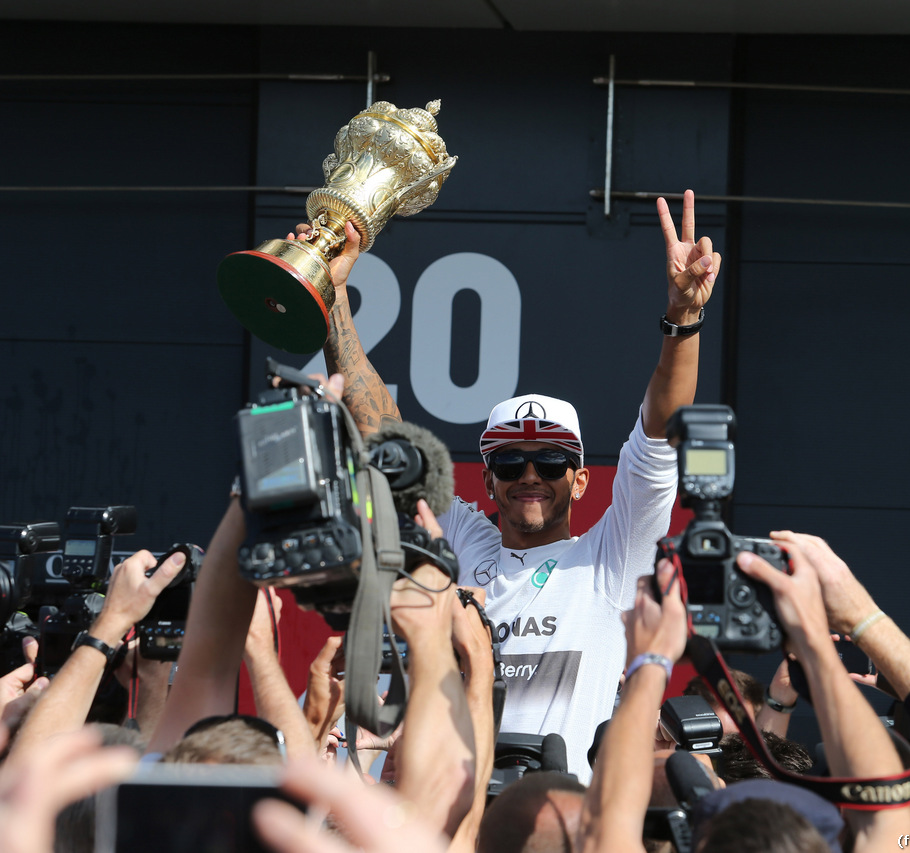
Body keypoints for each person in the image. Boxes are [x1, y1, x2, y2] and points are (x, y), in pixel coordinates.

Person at [307, 190, 719, 777]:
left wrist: (683, 319)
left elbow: (658, 433)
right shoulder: (463, 542)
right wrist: (334, 295)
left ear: (579, 481)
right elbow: (383, 432)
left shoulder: (610, 558)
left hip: (557, 824)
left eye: (550, 462)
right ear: (488, 480)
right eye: (510, 463)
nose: (530, 475)